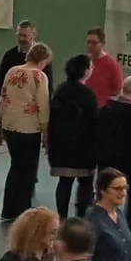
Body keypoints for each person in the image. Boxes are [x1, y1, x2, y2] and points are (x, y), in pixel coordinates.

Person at [0, 40, 51, 220]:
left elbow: (3, 98)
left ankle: (8, 210)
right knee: (27, 171)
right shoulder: (39, 76)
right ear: (43, 59)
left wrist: (1, 124)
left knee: (15, 167)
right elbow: (43, 106)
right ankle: (23, 211)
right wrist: (45, 132)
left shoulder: (12, 71)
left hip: (10, 125)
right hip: (29, 128)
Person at [94, 75, 131, 239]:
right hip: (130, 162)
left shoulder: (106, 107)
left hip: (107, 160)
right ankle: (130, 229)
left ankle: (100, 225)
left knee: (104, 193)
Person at [47, 53, 97, 219]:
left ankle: (61, 218)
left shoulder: (61, 90)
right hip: (82, 147)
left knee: (64, 182)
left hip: (60, 144)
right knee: (85, 183)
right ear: (85, 71)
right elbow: (94, 121)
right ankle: (81, 218)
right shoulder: (88, 94)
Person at [0, 19, 41, 102]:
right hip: (13, 102)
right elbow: (1, 82)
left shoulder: (41, 56)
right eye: (19, 35)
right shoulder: (9, 55)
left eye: (24, 36)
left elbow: (48, 84)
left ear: (33, 35)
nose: (21, 38)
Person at [83, 28, 123, 108]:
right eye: (88, 42)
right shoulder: (83, 61)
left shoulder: (112, 64)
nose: (90, 45)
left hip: (101, 110)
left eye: (94, 42)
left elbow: (118, 91)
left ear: (103, 43)